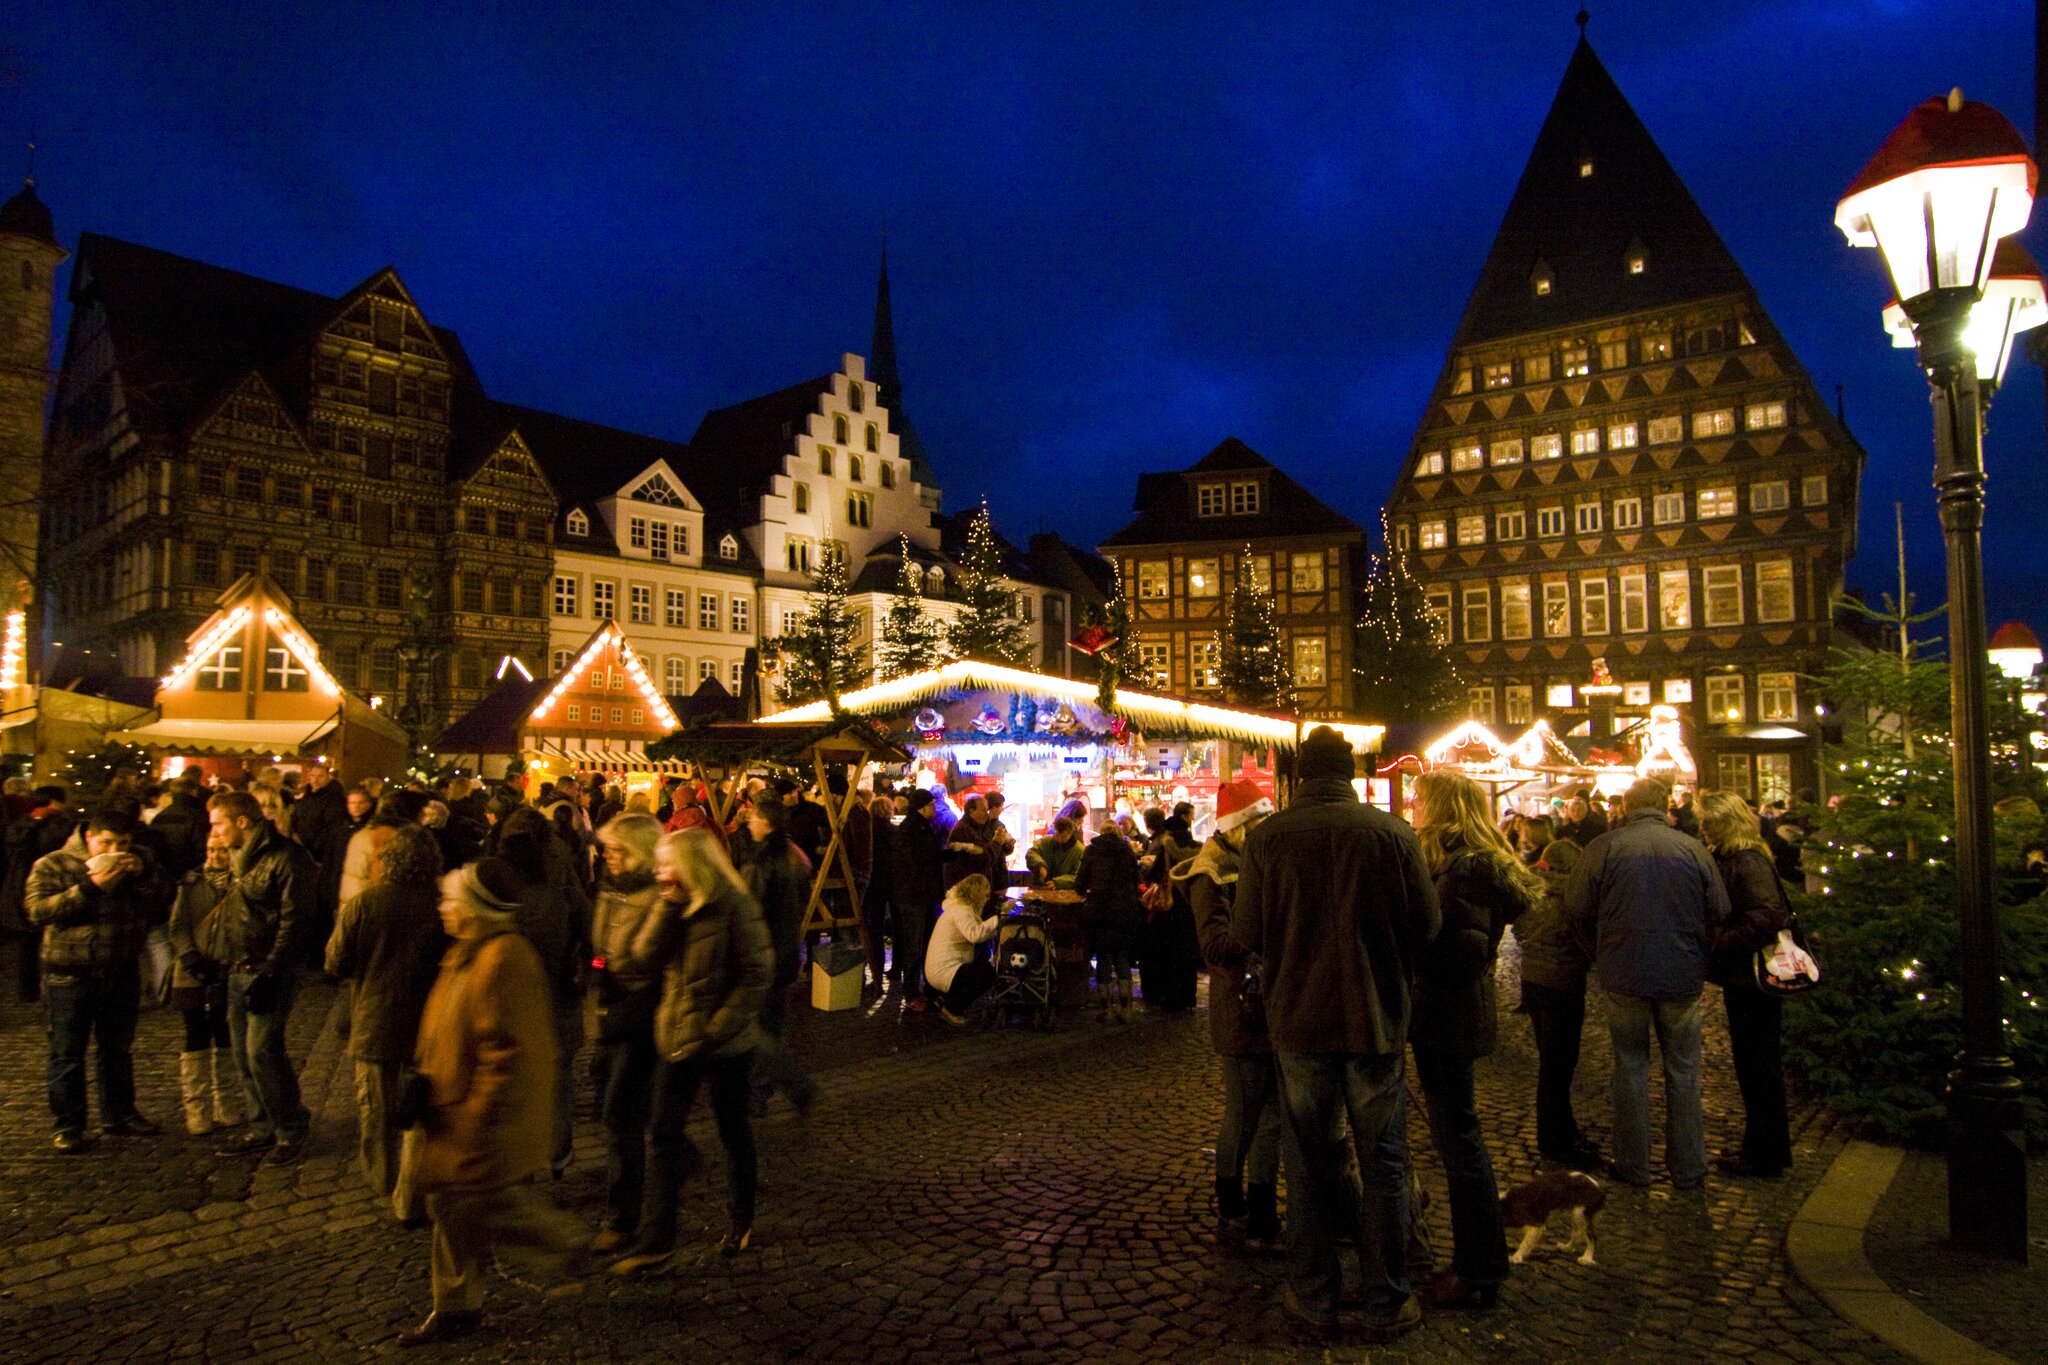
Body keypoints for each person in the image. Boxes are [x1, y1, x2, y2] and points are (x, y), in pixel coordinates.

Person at [1231, 726, 1438, 1343]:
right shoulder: (1393, 834)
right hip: (1374, 1021)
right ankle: (1386, 1298)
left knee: (1308, 1157)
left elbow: (1247, 933)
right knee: (1385, 1162)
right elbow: (1426, 926)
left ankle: (1314, 1293)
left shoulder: (1268, 840)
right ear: (1349, 774)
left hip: (1298, 1020)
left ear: (1300, 775)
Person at [397, 858, 588, 1348]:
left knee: (481, 1205)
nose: (442, 908)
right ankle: (455, 1305)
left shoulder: (504, 958)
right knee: (451, 1205)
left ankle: (566, 1245)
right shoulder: (467, 951)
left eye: (450, 901)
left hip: (471, 1117)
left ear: (475, 909)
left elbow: (509, 1053)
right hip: (448, 1107)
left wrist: (478, 1118)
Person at [609, 829, 774, 1274]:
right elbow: (641, 958)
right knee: (662, 1131)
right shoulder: (674, 906)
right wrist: (666, 907)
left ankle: (741, 1218)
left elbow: (758, 975)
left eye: (668, 863)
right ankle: (657, 1240)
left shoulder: (735, 905)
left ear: (692, 865)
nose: (660, 871)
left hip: (726, 1044)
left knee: (732, 1128)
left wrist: (717, 1027)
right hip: (677, 1037)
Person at [1407, 771, 1542, 1311]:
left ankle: (1477, 1268)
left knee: (1460, 1140)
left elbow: (1458, 950)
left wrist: (1412, 952)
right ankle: (1477, 1263)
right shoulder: (1469, 865)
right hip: (1452, 1012)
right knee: (1458, 1136)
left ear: (1441, 809)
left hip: (1448, 1014)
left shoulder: (1465, 870)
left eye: (1420, 800)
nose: (1413, 808)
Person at [1564, 777, 1729, 1190]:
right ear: (1665, 805)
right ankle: (1689, 1168)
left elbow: (1575, 907)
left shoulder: (1604, 848)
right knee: (1684, 1071)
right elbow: (1720, 909)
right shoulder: (1693, 849)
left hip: (1624, 973)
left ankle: (1634, 1165)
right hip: (1682, 974)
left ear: (1626, 807)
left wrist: (1597, 953)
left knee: (1630, 1067)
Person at [26, 806, 174, 1151]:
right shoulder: (54, 864)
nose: (114, 852)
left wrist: (143, 874)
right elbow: (37, 911)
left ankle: (120, 1114)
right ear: (89, 837)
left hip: (120, 967)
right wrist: (88, 889)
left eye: (122, 843)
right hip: (70, 971)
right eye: (106, 843)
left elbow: (167, 895)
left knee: (117, 1048)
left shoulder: (139, 860)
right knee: (67, 1052)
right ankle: (69, 1125)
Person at [1182, 779, 1282, 1248]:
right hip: (1239, 1006)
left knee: (1274, 1114)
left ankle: (1263, 1210)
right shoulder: (1211, 873)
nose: (1265, 829)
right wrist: (1265, 927)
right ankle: (1231, 1203)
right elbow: (1216, 946)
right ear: (1241, 826)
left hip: (1270, 1004)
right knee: (1244, 1111)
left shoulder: (1256, 863)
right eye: (1258, 821)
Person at [326, 823, 447, 1209]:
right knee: (418, 1112)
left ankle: (380, 1178)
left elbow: (335, 961)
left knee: (376, 1109)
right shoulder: (442, 906)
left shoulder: (366, 903)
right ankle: (408, 1196)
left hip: (375, 1020)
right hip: (427, 1021)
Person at [209, 789, 320, 1165]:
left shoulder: (288, 858)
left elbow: (296, 919)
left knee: (262, 1052)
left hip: (269, 969)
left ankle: (290, 1127)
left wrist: (273, 968)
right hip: (238, 968)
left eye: (218, 824)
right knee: (242, 1055)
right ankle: (262, 1126)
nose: (214, 833)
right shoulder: (238, 858)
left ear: (242, 822)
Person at [1697, 791, 1792, 1179]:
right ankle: (1760, 1148)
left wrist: (1720, 945)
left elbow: (1768, 914)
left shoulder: (1746, 861)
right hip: (1744, 978)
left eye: (1709, 821)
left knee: (1759, 1065)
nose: (1703, 827)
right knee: (1753, 1065)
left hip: (1752, 980)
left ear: (1727, 822)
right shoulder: (1736, 857)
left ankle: (1765, 1154)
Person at [497, 807, 593, 1181]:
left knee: (519, 1075)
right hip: (559, 987)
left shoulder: (497, 871)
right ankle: (558, 1150)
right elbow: (588, 928)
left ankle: (523, 1155)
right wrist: (593, 970)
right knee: (560, 1075)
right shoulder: (561, 869)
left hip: (515, 991)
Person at [588, 813, 668, 1253]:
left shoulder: (658, 895)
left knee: (620, 1112)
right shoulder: (610, 889)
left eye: (616, 850)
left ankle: (624, 1217)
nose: (607, 857)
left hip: (641, 1016)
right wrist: (601, 972)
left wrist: (622, 977)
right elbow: (601, 949)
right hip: (613, 1011)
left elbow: (649, 959)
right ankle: (673, 1156)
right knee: (620, 1108)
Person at [1517, 839, 1600, 1169]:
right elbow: (1585, 943)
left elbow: (1520, 931)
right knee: (1558, 1065)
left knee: (1550, 1060)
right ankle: (1555, 1139)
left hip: (1532, 980)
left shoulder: (1531, 893)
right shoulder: (1574, 899)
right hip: (1562, 983)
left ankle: (1562, 1131)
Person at [738, 799, 819, 1115]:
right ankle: (772, 1088)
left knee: (755, 1029)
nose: (749, 824)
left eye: (754, 818)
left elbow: (749, 915)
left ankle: (772, 1090)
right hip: (787, 951)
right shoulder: (794, 856)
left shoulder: (761, 864)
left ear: (767, 823)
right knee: (770, 1026)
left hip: (766, 954)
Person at [165, 836, 250, 1135]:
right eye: (211, 850)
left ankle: (225, 1104)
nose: (215, 855)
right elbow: (178, 925)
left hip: (227, 969)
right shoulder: (190, 883)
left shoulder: (242, 881)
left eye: (222, 850)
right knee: (195, 1035)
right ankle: (197, 1108)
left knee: (224, 1032)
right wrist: (190, 957)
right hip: (192, 970)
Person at [1073, 814, 1143, 1023]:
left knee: (1103, 957)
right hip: (1124, 913)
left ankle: (1107, 1010)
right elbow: (1136, 881)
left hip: (1100, 912)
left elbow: (1080, 884)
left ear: (1101, 833)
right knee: (1121, 957)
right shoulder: (1127, 853)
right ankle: (1127, 1009)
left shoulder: (1092, 851)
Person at [923, 872, 1002, 1024]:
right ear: (976, 894)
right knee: (987, 974)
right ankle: (952, 1008)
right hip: (944, 970)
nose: (987, 900)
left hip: (942, 968)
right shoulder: (961, 910)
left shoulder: (957, 908)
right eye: (985, 896)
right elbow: (974, 934)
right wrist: (998, 918)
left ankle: (945, 999)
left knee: (981, 961)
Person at [890, 789, 944, 1008]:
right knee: (914, 943)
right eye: (932, 805)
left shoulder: (924, 827)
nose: (935, 808)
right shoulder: (910, 830)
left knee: (927, 942)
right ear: (922, 807)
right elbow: (916, 862)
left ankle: (928, 988)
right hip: (914, 896)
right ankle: (912, 992)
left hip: (925, 894)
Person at [1025, 817, 1085, 888]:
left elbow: (1078, 876)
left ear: (1070, 833)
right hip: (1041, 888)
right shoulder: (1045, 841)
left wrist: (1057, 882)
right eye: (1057, 834)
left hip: (1065, 893)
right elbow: (1031, 852)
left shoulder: (1079, 850)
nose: (1059, 838)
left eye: (1063, 836)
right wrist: (1040, 865)